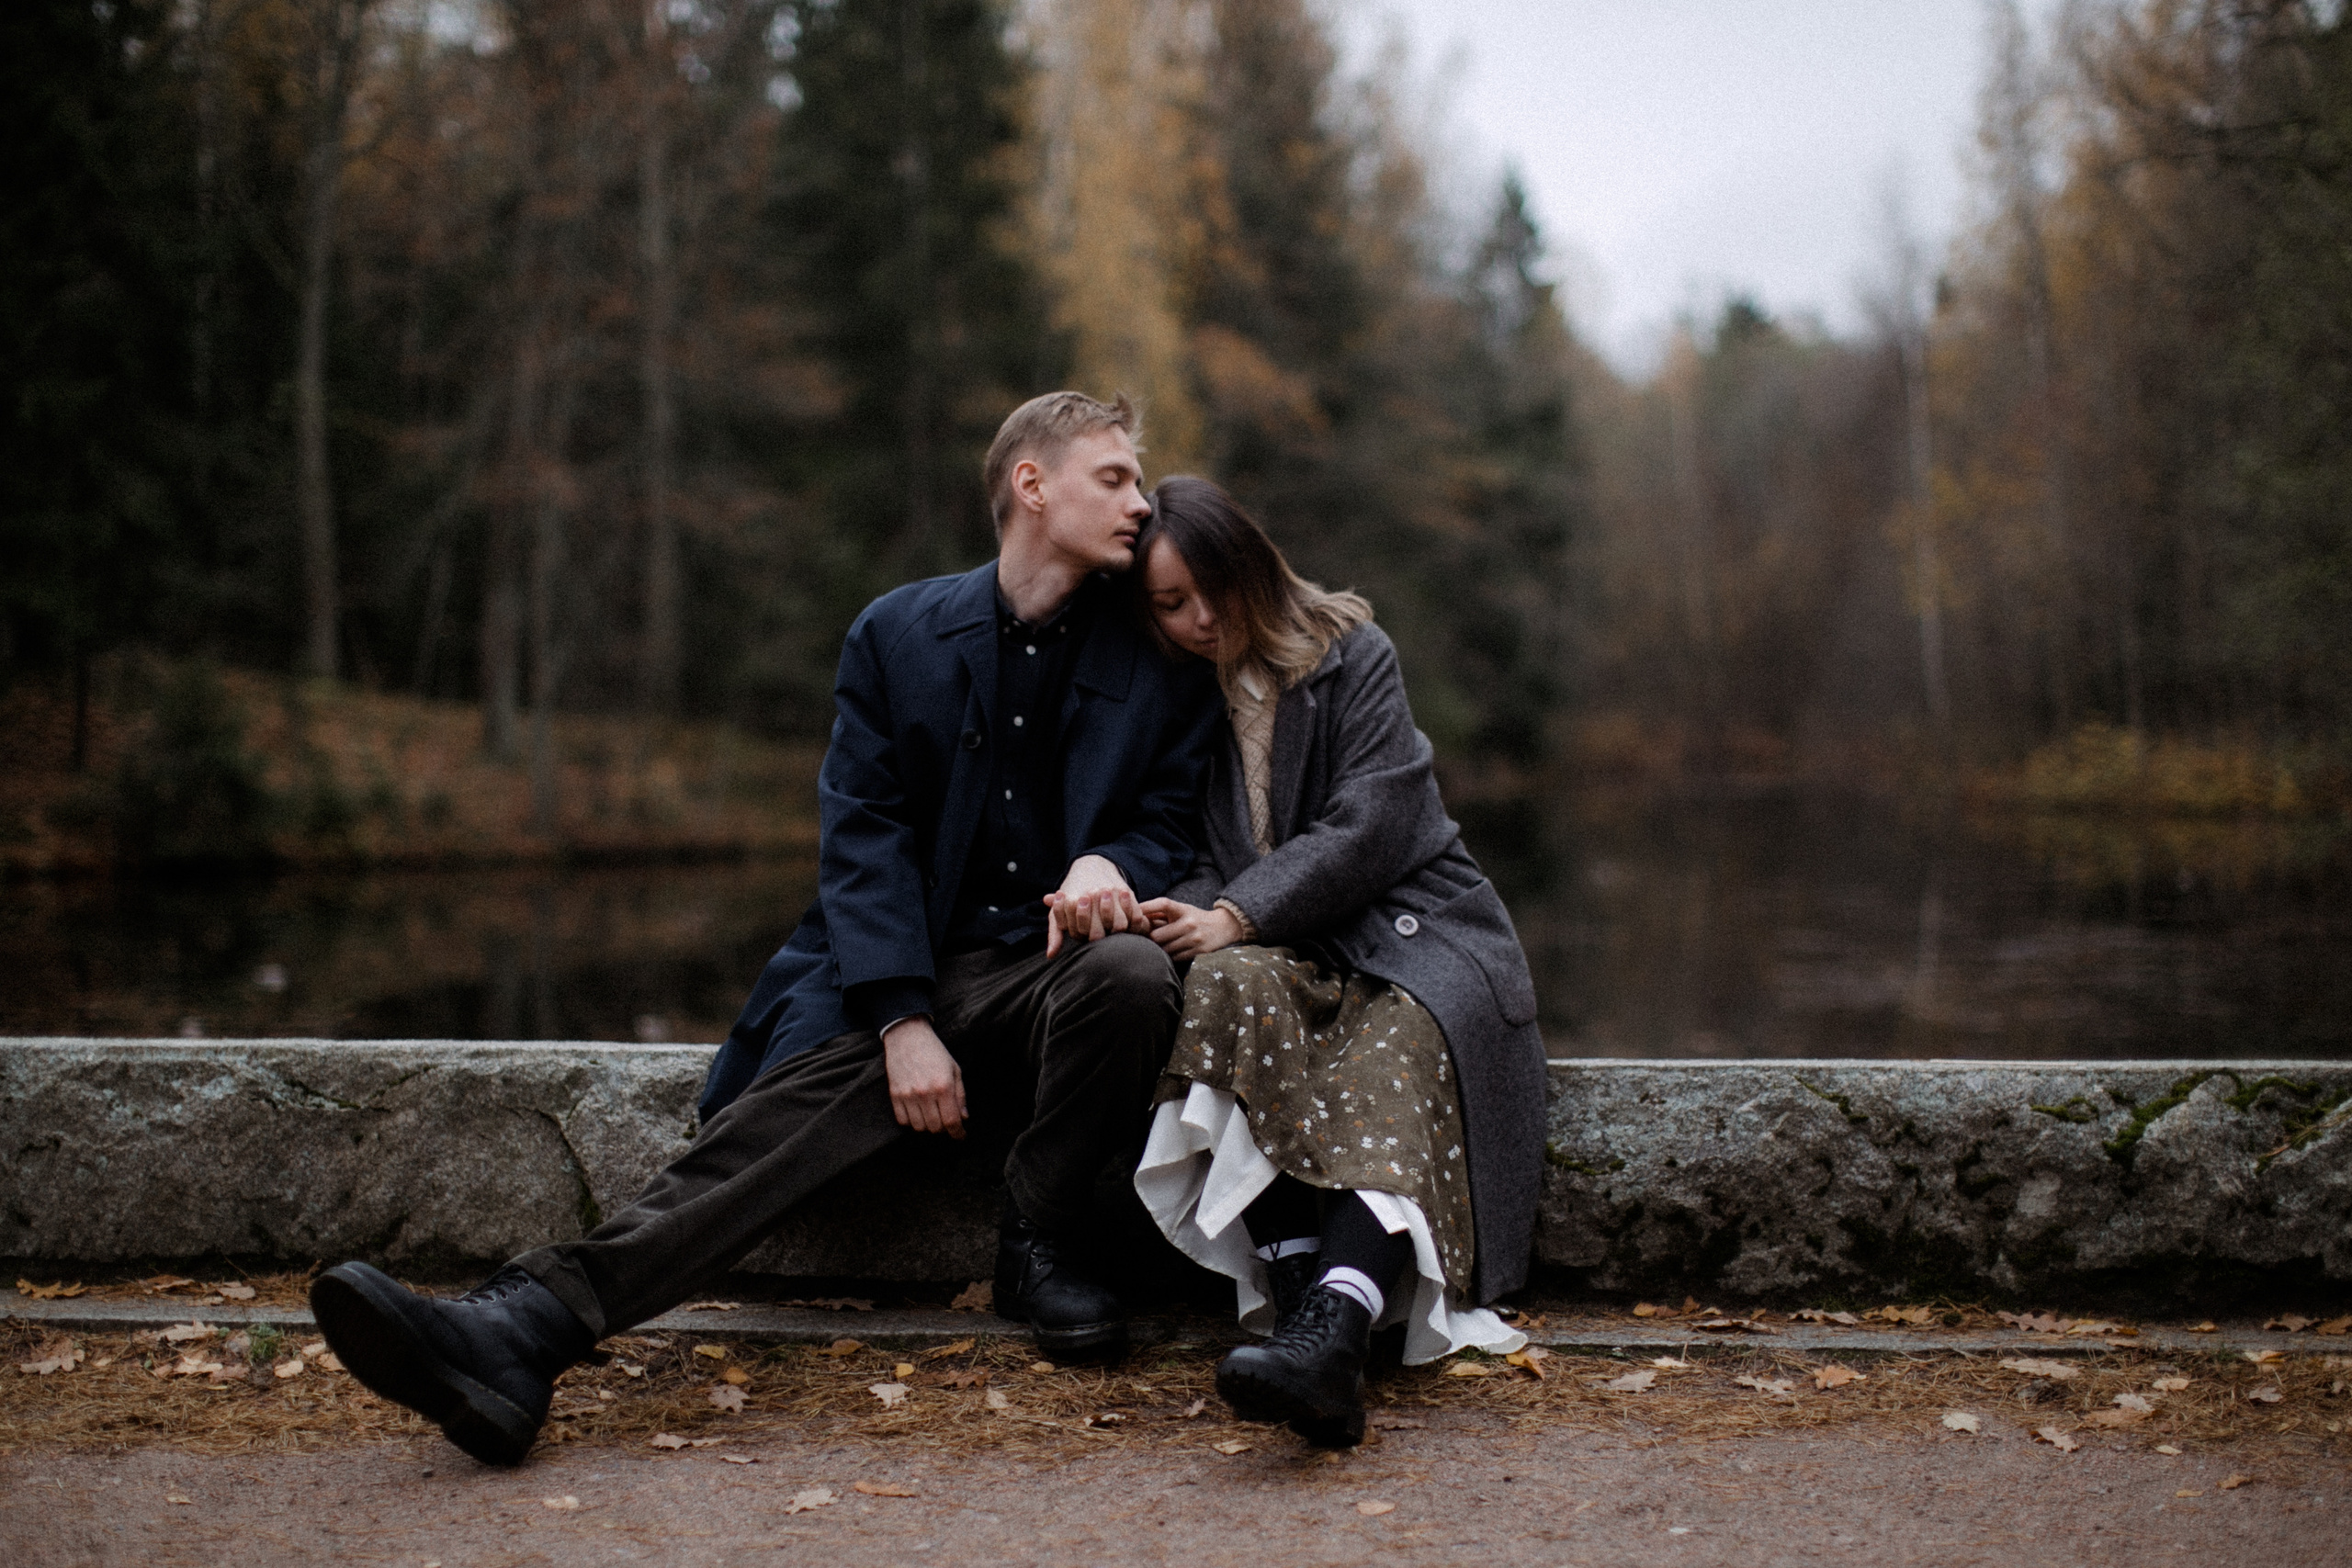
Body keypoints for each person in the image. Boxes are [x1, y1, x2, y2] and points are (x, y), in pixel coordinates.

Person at [310, 392, 1223, 1466]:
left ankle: (1043, 1240)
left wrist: (1108, 862)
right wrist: (898, 1020)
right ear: (1032, 484)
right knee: (774, 1127)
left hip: (1056, 988)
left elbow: (1171, 819)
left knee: (1126, 972)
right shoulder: (896, 634)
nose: (1138, 499)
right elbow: (864, 835)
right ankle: (520, 1332)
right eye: (1113, 476)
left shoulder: (1156, 654)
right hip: (908, 975)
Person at [1125, 475, 1550, 1447]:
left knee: (1393, 1040)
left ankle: (1337, 1326)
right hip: (1279, 946)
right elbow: (1188, 851)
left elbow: (1374, 821)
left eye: (1211, 591)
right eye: (1168, 605)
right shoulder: (1182, 699)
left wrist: (1236, 909)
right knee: (1223, 986)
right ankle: (1296, 1302)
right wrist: (1187, 911)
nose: (1198, 620)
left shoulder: (1353, 653)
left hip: (1416, 929)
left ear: (1252, 568)